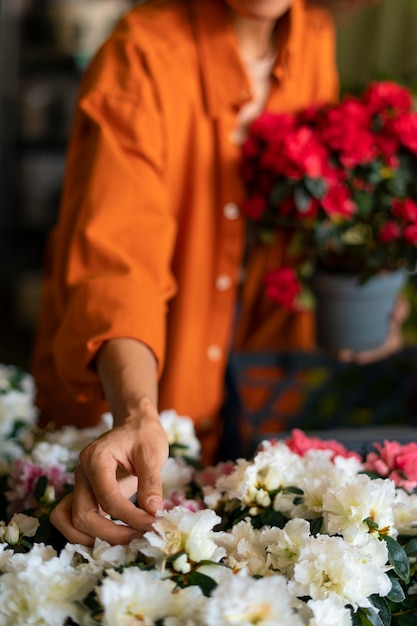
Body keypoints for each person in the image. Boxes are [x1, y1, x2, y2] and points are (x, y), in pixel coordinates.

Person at [32, 0, 404, 546]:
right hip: (133, 423)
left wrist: (367, 294)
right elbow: (118, 264)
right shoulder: (142, 52)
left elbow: (313, 218)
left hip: (261, 404)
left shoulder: (312, 41)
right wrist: (137, 413)